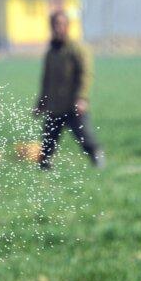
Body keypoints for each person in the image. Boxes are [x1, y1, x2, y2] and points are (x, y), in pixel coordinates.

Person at [34, 9, 104, 169]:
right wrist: (41, 102)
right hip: (55, 106)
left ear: (67, 26)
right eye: (54, 24)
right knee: (48, 141)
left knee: (85, 137)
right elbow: (46, 80)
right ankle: (45, 168)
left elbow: (86, 74)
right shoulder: (51, 52)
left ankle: (98, 160)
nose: (57, 28)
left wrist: (82, 98)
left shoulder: (77, 49)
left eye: (61, 24)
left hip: (73, 105)